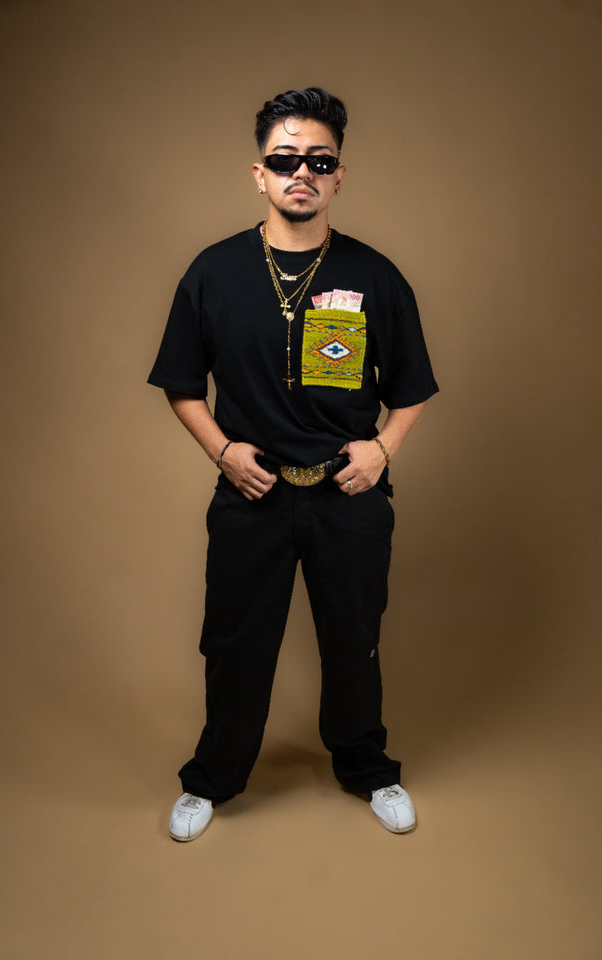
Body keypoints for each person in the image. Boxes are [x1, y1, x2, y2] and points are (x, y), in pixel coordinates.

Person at [148, 87, 438, 842]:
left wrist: (381, 450)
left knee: (354, 639)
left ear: (339, 176)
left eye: (319, 160)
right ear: (259, 173)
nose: (300, 172)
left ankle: (368, 769)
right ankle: (213, 778)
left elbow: (410, 391)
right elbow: (182, 385)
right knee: (234, 643)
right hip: (252, 495)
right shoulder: (213, 272)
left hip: (349, 494)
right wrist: (222, 449)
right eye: (285, 160)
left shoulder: (376, 277)